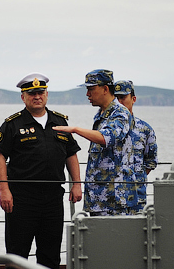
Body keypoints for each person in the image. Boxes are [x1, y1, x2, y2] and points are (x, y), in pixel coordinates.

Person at [0, 73, 83, 269]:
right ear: (23, 97)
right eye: (31, 93)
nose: (36, 96)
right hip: (22, 198)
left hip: (53, 198)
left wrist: (76, 183)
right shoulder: (13, 124)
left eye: (40, 92)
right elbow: (0, 157)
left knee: (50, 253)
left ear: (46, 94)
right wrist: (4, 191)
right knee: (17, 252)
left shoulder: (60, 122)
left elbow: (71, 154)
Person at [55, 69, 137, 216]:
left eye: (91, 89)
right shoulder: (101, 114)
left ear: (105, 89)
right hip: (99, 200)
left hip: (115, 202)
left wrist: (75, 129)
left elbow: (106, 137)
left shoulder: (120, 113)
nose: (88, 94)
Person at [113, 80, 158, 211]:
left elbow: (151, 162)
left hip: (136, 197)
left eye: (122, 97)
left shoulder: (145, 129)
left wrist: (136, 178)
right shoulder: (105, 129)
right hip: (109, 198)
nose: (119, 102)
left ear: (133, 99)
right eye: (116, 98)